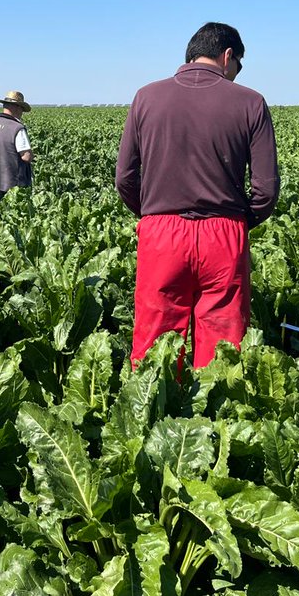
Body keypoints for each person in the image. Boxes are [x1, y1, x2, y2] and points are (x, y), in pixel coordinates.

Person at [115, 22, 279, 369]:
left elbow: (125, 178)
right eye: (238, 65)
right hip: (224, 232)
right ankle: (217, 418)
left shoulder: (146, 96)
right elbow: (265, 190)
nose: (237, 73)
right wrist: (236, 221)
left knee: (155, 342)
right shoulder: (251, 102)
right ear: (227, 56)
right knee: (223, 344)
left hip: (161, 231)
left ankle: (154, 416)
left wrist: (151, 214)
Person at [0, 90, 34, 199]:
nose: (21, 113)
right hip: (12, 184)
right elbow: (26, 157)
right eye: (22, 109)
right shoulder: (17, 127)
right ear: (17, 107)